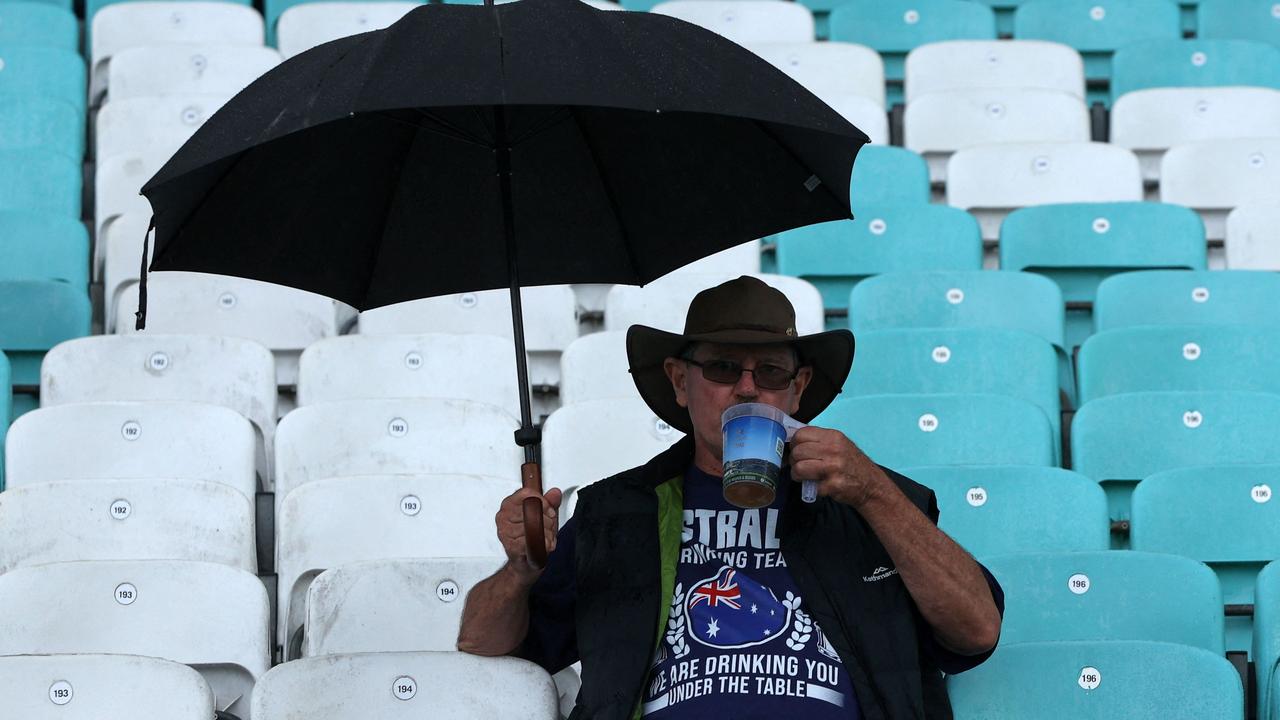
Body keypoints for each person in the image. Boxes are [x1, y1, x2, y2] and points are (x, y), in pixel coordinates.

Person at [458, 276, 1004, 719]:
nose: (747, 388)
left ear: (799, 386)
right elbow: (485, 648)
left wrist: (875, 494)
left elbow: (977, 631)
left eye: (770, 371)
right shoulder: (618, 513)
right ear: (678, 380)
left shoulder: (866, 499)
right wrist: (520, 569)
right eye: (722, 367)